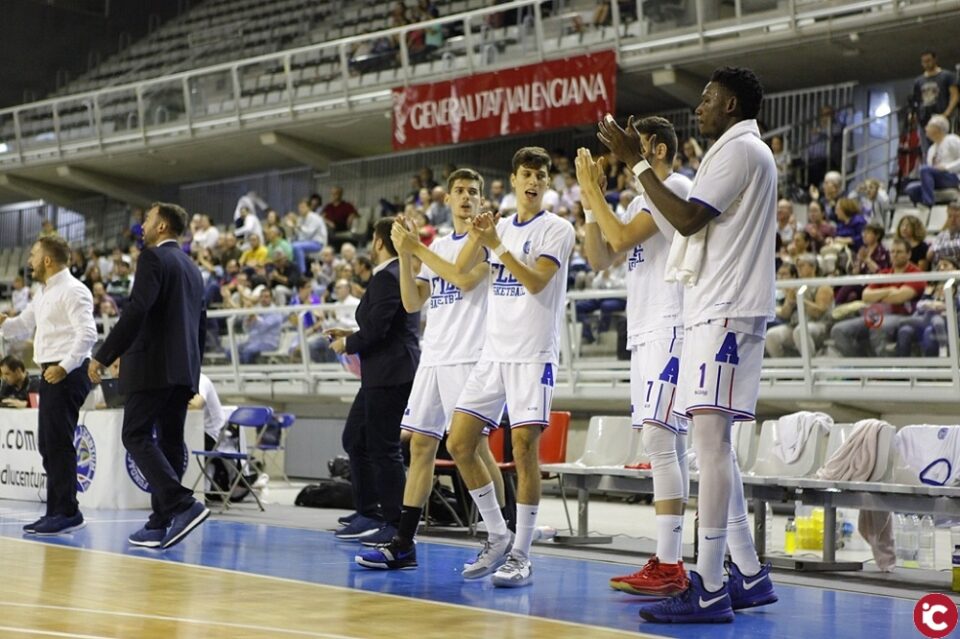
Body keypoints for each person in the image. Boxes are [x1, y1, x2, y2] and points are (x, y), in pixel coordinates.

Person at [599, 66, 779, 623]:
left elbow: (687, 220)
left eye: (707, 99)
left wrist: (635, 163)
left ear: (730, 105)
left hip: (722, 310)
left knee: (709, 447)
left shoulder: (738, 149)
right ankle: (748, 572)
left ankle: (708, 586)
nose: (698, 107)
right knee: (714, 445)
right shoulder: (743, 150)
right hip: (719, 309)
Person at [356, 168, 508, 567]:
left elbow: (462, 279)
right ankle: (404, 543)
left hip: (468, 356)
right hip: (434, 357)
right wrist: (406, 254)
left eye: (473, 191)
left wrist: (416, 248)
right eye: (459, 191)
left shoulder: (485, 240)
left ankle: (503, 532)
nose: (466, 197)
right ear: (448, 199)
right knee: (420, 445)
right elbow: (412, 301)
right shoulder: (438, 244)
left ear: (481, 200)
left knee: (474, 447)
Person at [445, 146, 575, 588]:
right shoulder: (498, 226)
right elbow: (460, 271)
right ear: (514, 180)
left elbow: (536, 281)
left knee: (523, 450)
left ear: (547, 183)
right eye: (526, 174)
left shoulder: (557, 229)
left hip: (533, 354)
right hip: (494, 352)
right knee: (459, 442)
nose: (533, 181)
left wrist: (496, 245)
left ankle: (522, 553)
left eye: (541, 175)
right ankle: (497, 534)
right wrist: (477, 234)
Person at [576, 115, 692, 597]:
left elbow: (621, 239)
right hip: (644, 330)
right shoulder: (640, 200)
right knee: (665, 445)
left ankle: (671, 564)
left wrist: (594, 192)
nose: (625, 151)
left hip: (670, 324)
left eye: (635, 144)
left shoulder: (676, 186)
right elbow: (602, 258)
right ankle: (671, 560)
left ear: (658, 149)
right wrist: (590, 204)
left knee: (661, 442)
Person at [88, 202, 209, 550]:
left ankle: (182, 504)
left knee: (135, 433)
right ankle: (160, 521)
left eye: (148, 220)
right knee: (170, 441)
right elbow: (200, 326)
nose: (142, 226)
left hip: (152, 366)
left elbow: (137, 310)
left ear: (162, 226)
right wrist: (193, 372)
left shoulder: (153, 258)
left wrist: (104, 354)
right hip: (182, 369)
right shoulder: (192, 267)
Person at [327, 217, 421, 541]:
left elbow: (379, 330)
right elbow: (383, 324)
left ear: (379, 242)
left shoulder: (389, 276)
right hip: (381, 372)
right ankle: (368, 511)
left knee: (384, 448)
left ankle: (395, 524)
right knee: (356, 438)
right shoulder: (392, 274)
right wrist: (350, 333)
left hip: (391, 373)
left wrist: (347, 344)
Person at [0, 236, 96, 535]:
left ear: (47, 260)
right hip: (51, 372)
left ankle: (67, 512)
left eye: (33, 255)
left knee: (57, 443)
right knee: (48, 444)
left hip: (67, 372)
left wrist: (64, 367)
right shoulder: (43, 292)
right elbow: (23, 324)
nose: (29, 261)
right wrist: (3, 323)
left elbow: (88, 334)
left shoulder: (73, 290)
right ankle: (57, 510)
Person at [903, 115, 960, 208]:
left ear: (937, 128)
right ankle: (927, 206)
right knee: (911, 189)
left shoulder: (951, 140)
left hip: (951, 176)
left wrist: (946, 167)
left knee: (924, 169)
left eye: (928, 126)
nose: (925, 128)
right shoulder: (931, 149)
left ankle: (928, 203)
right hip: (936, 179)